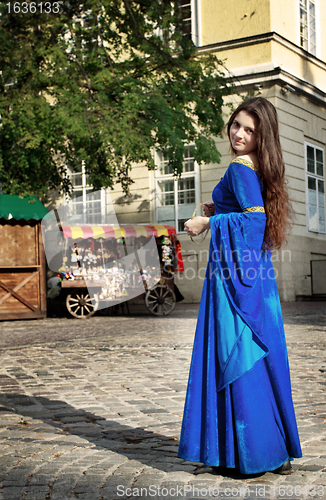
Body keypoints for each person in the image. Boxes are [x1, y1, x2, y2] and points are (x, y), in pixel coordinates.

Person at [179, 97, 302, 475]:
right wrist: (216, 208)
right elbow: (247, 211)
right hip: (255, 276)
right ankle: (273, 449)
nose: (239, 133)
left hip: (237, 283)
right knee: (259, 358)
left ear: (260, 135)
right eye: (236, 124)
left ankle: (249, 453)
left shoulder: (239, 168)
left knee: (237, 353)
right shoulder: (257, 167)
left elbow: (254, 221)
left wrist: (207, 225)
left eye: (249, 129)